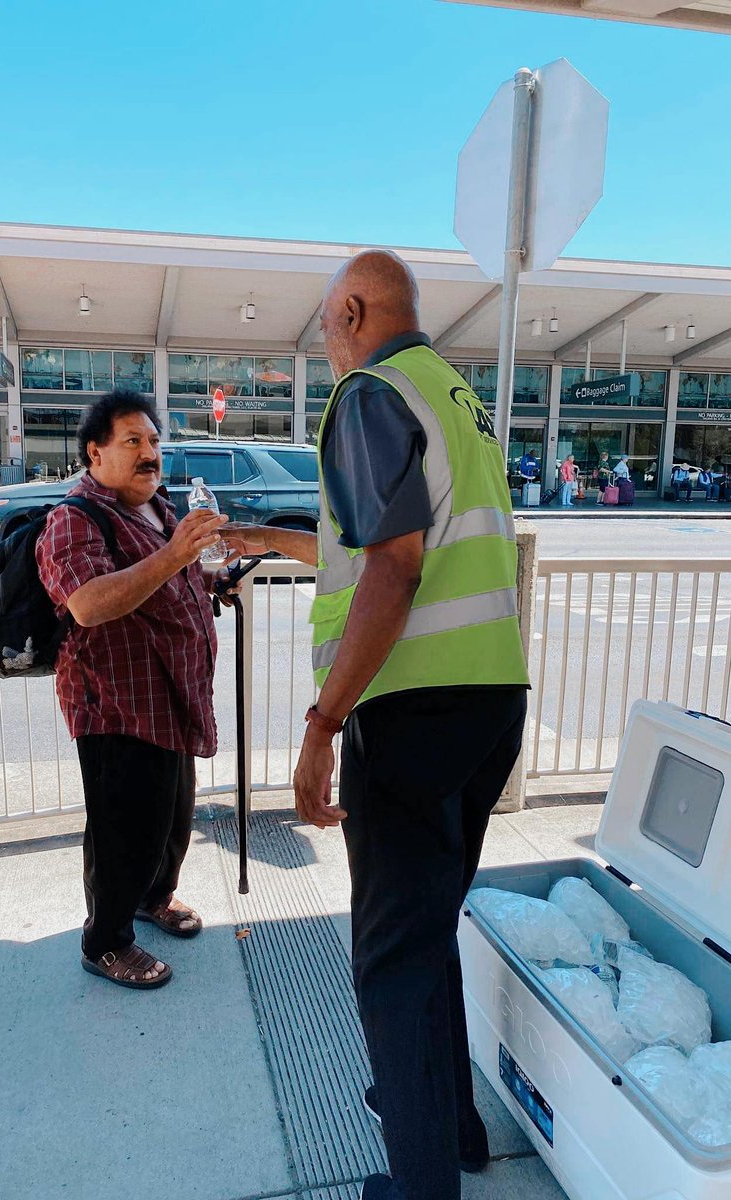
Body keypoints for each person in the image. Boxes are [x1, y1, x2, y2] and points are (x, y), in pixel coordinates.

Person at [225, 249, 529, 1200]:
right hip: (488, 704)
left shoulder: (368, 394)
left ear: (355, 309)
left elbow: (393, 569)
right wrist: (263, 538)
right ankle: (455, 1133)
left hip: (412, 711)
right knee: (429, 930)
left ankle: (420, 1183)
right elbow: (381, 544)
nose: (322, 342)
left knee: (388, 966)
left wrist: (322, 724)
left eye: (325, 322)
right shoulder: (450, 395)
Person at [36, 391, 236, 991]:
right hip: (116, 705)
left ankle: (154, 898)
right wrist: (178, 555)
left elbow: (170, 572)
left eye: (153, 441)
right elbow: (90, 603)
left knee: (172, 818)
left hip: (170, 696)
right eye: (133, 442)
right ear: (95, 454)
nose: (150, 453)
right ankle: (106, 942)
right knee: (123, 827)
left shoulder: (157, 506)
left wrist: (207, 579)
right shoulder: (75, 519)